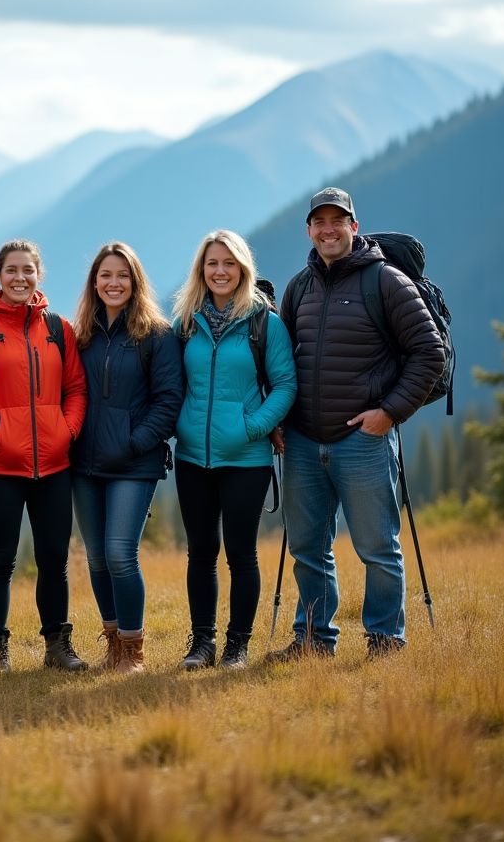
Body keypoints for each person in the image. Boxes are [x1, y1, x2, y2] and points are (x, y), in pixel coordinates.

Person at [268, 187, 443, 662]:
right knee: (307, 547)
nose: (328, 229)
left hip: (363, 441)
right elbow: (281, 363)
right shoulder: (298, 287)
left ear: (354, 226)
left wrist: (389, 413)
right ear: (309, 229)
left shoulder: (385, 281)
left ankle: (385, 640)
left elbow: (431, 353)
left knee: (376, 548)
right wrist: (278, 420)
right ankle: (312, 642)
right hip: (303, 440)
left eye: (337, 220)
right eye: (319, 221)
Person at [0, 240, 88, 672]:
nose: (20, 278)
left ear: (38, 274)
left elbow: (76, 390)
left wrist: (66, 432)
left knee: (53, 559)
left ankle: (57, 646)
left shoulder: (59, 329)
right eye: (12, 270)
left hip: (55, 466)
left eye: (28, 270)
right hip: (0, 467)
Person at [172, 230, 296, 670]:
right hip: (191, 457)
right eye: (212, 264)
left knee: (241, 553)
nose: (220, 271)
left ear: (243, 268)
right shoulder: (186, 323)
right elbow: (172, 384)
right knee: (201, 552)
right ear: (201, 270)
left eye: (228, 263)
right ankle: (201, 643)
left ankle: (236, 647)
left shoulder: (266, 323)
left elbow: (285, 385)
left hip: (246, 458)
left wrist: (255, 427)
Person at [70, 242, 183, 674]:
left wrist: (135, 442)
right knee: (96, 558)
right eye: (105, 275)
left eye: (122, 275)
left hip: (135, 463)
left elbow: (169, 401)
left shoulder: (157, 335)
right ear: (94, 282)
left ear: (135, 282)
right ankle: (113, 645)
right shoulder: (81, 335)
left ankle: (133, 651)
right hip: (85, 463)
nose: (113, 283)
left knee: (120, 553)